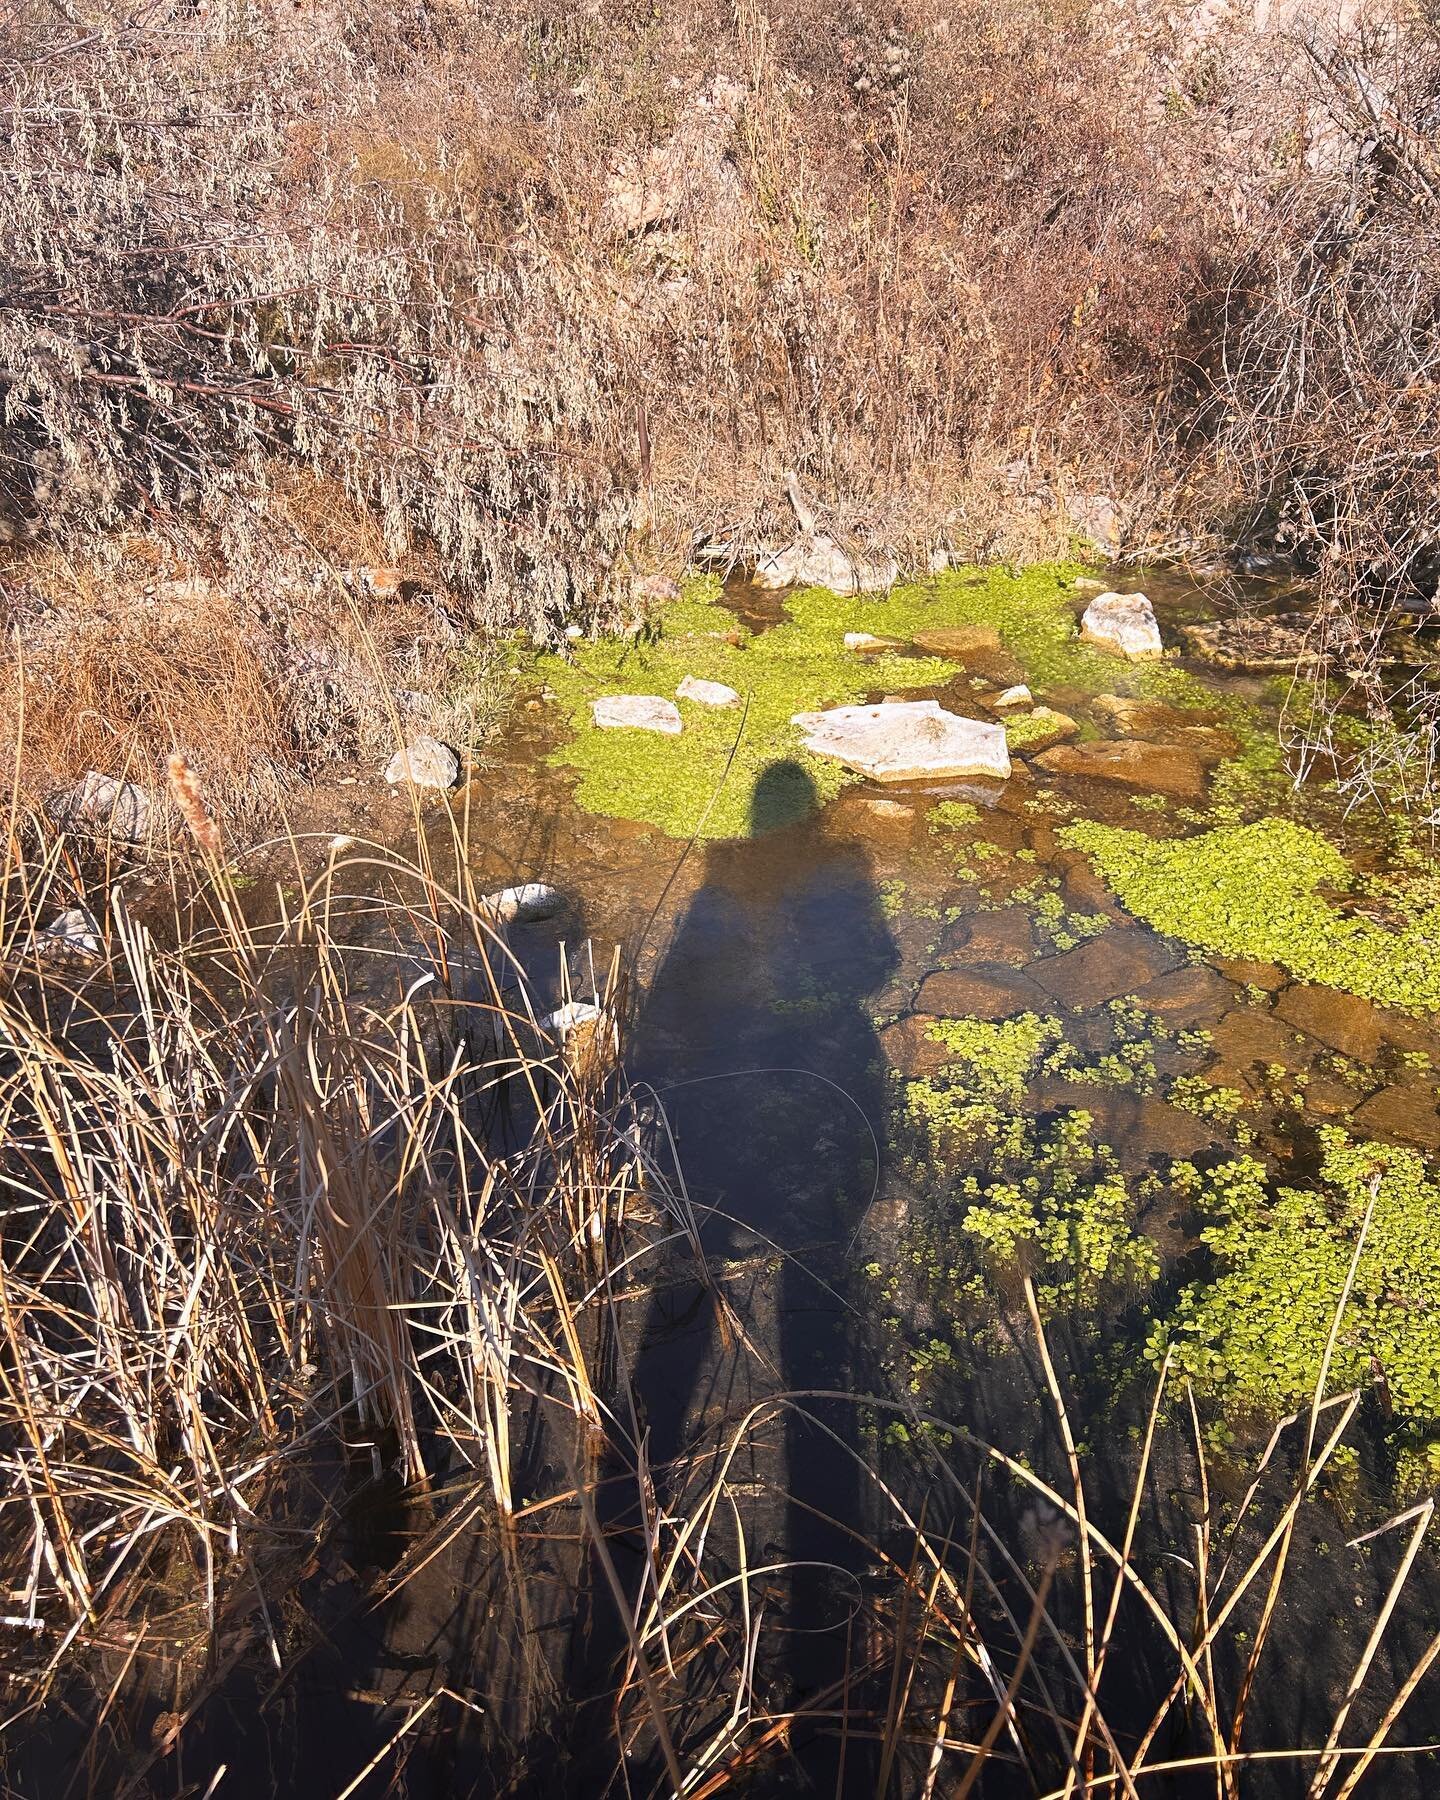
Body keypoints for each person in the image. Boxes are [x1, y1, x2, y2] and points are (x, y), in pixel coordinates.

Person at [631, 758, 899, 1732]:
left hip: (721, 1151)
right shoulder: (810, 877)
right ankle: (825, 1604)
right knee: (812, 1333)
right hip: (791, 1137)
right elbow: (877, 966)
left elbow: (668, 1024)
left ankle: (640, 1517)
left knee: (684, 1302)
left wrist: (646, 1100)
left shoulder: (717, 891)